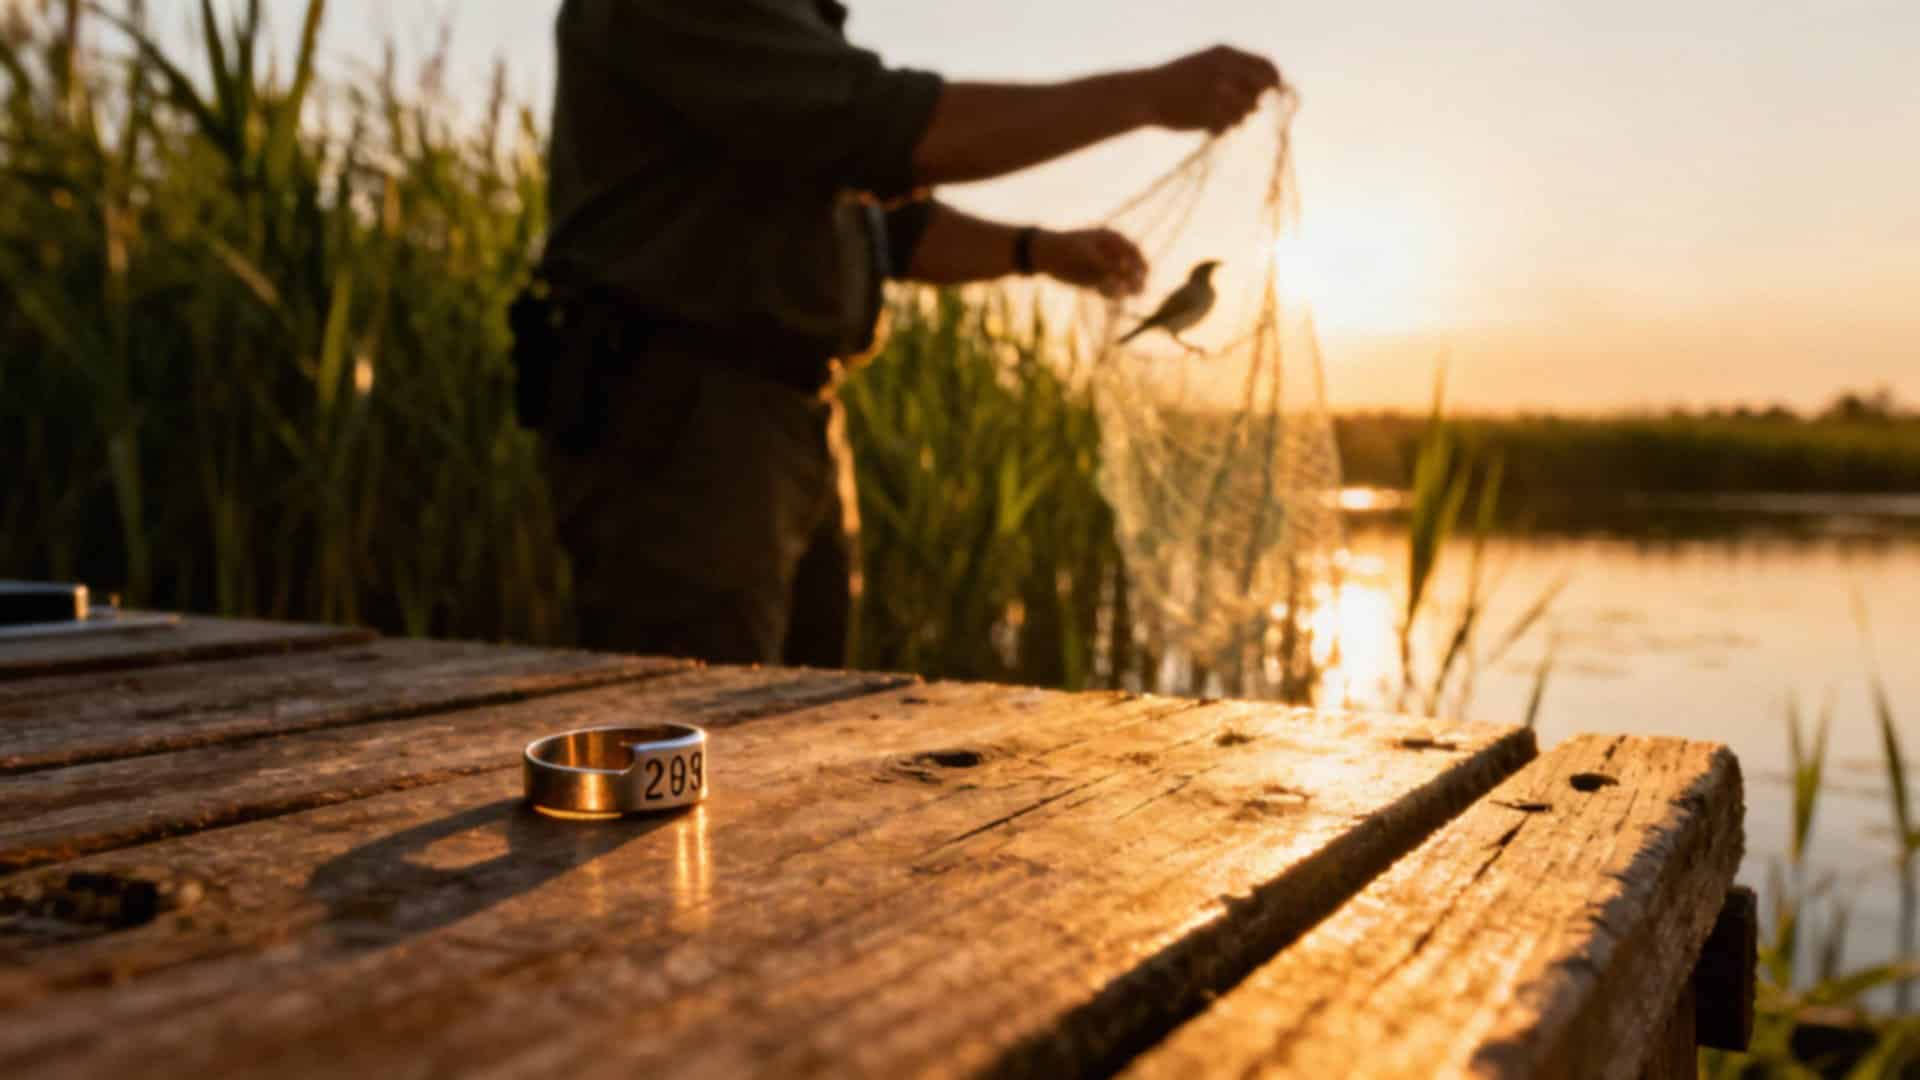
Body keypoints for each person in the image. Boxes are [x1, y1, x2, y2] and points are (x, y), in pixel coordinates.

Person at [517, 0, 1282, 666]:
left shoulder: (790, 28)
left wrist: (1036, 251)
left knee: (795, 731)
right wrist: (1147, 94)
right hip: (687, 426)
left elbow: (884, 224)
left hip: (792, 420)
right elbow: (875, 126)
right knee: (693, 737)